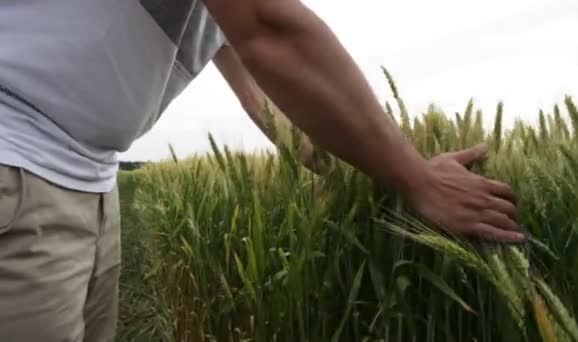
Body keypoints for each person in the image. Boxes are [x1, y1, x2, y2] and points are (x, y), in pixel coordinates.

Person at [0, 0, 524, 340]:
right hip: (16, 162)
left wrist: (364, 184)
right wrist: (415, 177)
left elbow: (265, 108)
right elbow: (271, 31)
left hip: (85, 176)